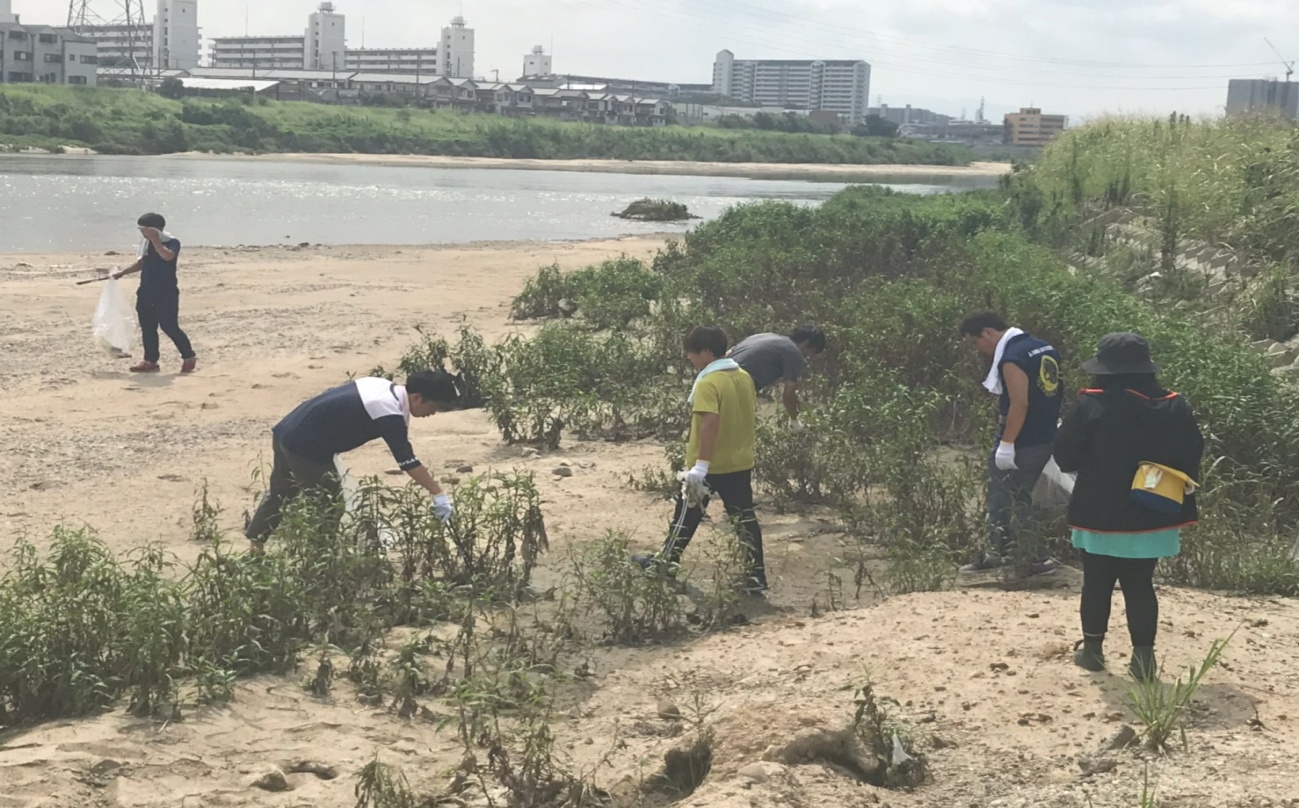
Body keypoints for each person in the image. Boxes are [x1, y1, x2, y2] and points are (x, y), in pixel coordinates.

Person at [1053, 333, 1203, 681]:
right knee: (1140, 584)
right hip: (1154, 510)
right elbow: (1193, 451)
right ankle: (1144, 660)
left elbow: (1064, 457)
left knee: (1096, 582)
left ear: (1104, 369)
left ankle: (1092, 652)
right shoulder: (1174, 403)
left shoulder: (1091, 404)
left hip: (1099, 511)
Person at [244, 370, 462, 552]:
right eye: (434, 406)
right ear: (417, 397)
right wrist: (438, 494)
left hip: (287, 429)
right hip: (306, 448)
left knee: (281, 492)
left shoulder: (382, 386)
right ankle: (320, 560)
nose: (433, 413)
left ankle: (256, 546)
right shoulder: (386, 410)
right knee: (328, 506)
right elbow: (407, 461)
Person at [634, 325, 767, 594]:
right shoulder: (743, 377)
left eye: (692, 353)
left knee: (685, 516)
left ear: (706, 352)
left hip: (709, 465)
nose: (689, 358)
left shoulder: (708, 382)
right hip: (740, 461)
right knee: (744, 520)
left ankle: (666, 563)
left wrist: (700, 466)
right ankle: (756, 576)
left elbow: (710, 425)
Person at [958, 312, 1064, 577]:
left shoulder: (1012, 358)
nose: (978, 350)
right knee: (1015, 495)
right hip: (1045, 432)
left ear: (987, 333)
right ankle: (1002, 552)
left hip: (1023, 439)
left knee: (1013, 496)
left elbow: (1020, 403)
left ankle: (1031, 558)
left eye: (975, 343)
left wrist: (1007, 444)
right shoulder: (1042, 347)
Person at [112, 213, 198, 374]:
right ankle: (150, 360)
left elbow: (167, 257)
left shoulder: (172, 242)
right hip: (146, 290)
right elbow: (142, 263)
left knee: (169, 326)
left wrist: (155, 240)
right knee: (147, 326)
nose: (141, 232)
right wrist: (123, 273)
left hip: (166, 292)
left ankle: (188, 356)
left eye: (144, 229)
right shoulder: (145, 245)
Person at [727, 325, 826, 431]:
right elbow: (788, 395)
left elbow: (728, 353)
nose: (808, 356)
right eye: (811, 352)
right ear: (806, 343)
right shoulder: (794, 354)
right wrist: (794, 420)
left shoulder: (765, 336)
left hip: (715, 376)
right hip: (737, 386)